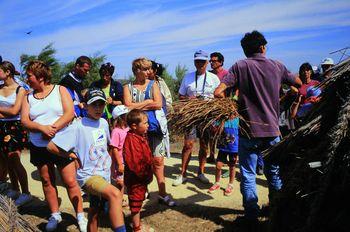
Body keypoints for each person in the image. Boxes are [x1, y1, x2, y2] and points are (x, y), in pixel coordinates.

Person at [215, 30, 302, 221]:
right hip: (272, 130)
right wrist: (290, 93)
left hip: (248, 132)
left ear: (245, 50)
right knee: (274, 173)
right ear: (263, 47)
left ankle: (251, 217)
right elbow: (297, 82)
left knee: (248, 175)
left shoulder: (240, 66)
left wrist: (233, 106)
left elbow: (218, 92)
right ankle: (276, 212)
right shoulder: (277, 66)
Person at [47, 88, 126, 232]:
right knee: (115, 194)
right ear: (85, 105)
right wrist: (72, 155)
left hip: (104, 175)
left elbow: (106, 146)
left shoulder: (103, 122)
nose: (97, 108)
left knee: (94, 212)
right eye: (93, 104)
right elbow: (51, 146)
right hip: (89, 176)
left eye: (101, 104)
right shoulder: (77, 126)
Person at [21, 60, 87, 232]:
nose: (27, 79)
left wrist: (52, 129)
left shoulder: (60, 90)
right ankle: (55, 214)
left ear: (40, 77)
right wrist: (40, 128)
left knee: (70, 181)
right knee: (47, 180)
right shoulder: (28, 97)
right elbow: (25, 121)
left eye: (29, 76)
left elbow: (69, 113)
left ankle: (80, 215)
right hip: (38, 145)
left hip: (62, 144)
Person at [124, 58, 175, 206]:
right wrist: (147, 102)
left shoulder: (154, 85)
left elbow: (158, 104)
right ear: (137, 70)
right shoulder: (127, 87)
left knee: (158, 161)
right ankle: (142, 190)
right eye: (145, 69)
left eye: (149, 69)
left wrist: (137, 106)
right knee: (141, 161)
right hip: (136, 132)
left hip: (154, 128)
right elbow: (127, 106)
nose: (149, 72)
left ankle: (162, 193)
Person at [173, 50, 220, 186]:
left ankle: (201, 172)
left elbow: (219, 95)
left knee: (204, 145)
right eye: (197, 61)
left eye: (202, 61)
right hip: (191, 116)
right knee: (188, 144)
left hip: (207, 116)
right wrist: (189, 99)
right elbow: (181, 96)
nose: (200, 64)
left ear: (207, 62)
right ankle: (183, 174)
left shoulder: (213, 78)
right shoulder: (187, 77)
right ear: (194, 62)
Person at [0, 61, 31, 206]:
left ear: (7, 72)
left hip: (15, 127)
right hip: (1, 127)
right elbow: (11, 110)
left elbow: (15, 111)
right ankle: (14, 188)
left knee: (15, 160)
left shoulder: (20, 90)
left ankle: (26, 192)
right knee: (7, 159)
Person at [123, 109, 154, 232]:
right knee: (135, 203)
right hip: (136, 179)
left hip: (141, 179)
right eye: (145, 123)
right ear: (134, 126)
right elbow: (135, 163)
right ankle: (136, 228)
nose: (148, 125)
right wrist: (144, 175)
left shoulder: (140, 136)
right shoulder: (131, 140)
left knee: (139, 201)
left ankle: (138, 224)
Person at [207, 116, 239, 196]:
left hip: (234, 147)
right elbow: (214, 130)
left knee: (232, 165)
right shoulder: (221, 118)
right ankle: (217, 183)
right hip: (223, 146)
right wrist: (214, 127)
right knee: (218, 165)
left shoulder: (238, 119)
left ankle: (230, 185)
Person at [110, 105, 129, 203]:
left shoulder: (128, 129)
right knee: (120, 183)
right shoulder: (116, 132)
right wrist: (119, 164)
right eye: (126, 115)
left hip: (128, 160)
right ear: (120, 118)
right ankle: (119, 200)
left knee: (126, 180)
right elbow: (114, 149)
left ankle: (123, 199)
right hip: (120, 161)